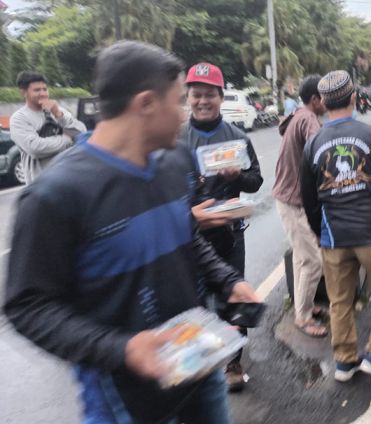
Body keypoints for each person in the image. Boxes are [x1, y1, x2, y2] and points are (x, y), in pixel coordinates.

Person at [3, 41, 259, 424]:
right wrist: (122, 349)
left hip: (199, 368)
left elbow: (185, 237)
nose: (185, 114)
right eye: (179, 102)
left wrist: (226, 280)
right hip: (125, 399)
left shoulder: (174, 161)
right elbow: (28, 306)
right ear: (145, 104)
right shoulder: (55, 195)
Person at [301, 70, 371, 383]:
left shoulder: (313, 143)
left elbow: (308, 200)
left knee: (340, 301)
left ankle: (345, 362)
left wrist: (321, 234)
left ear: (324, 102)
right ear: (354, 97)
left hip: (334, 237)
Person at [179, 62, 264, 392]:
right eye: (196, 94)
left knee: (233, 296)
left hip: (229, 234)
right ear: (188, 97)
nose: (202, 101)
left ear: (220, 96)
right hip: (189, 235)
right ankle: (197, 361)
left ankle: (233, 361)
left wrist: (236, 177)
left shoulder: (237, 137)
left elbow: (256, 181)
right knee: (193, 300)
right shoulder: (176, 139)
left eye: (209, 95)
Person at [272, 74, 328, 338]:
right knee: (313, 261)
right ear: (316, 99)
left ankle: (303, 307)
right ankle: (303, 318)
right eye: (325, 96)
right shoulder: (308, 119)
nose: (328, 101)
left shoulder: (297, 115)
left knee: (301, 256)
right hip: (293, 201)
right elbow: (321, 154)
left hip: (289, 198)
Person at [10, 71, 86, 183]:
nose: (43, 93)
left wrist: (58, 115)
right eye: (37, 90)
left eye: (45, 89)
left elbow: (82, 132)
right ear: (23, 92)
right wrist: (67, 139)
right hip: (42, 186)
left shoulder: (58, 111)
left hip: (71, 180)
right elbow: (35, 148)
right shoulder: (19, 118)